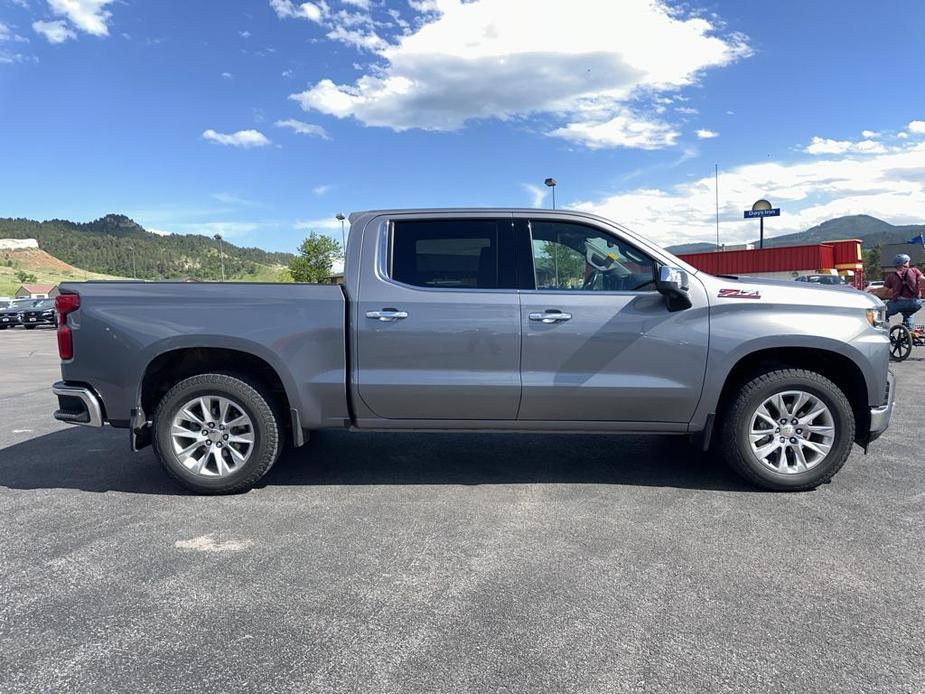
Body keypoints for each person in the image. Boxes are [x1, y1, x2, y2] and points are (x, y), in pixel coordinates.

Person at [883, 253, 924, 329]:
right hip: (915, 303)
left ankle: (885, 331)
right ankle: (908, 333)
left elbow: (884, 292)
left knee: (883, 314)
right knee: (909, 314)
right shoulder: (914, 270)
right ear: (905, 263)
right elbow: (922, 279)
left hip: (899, 303)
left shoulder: (891, 276)